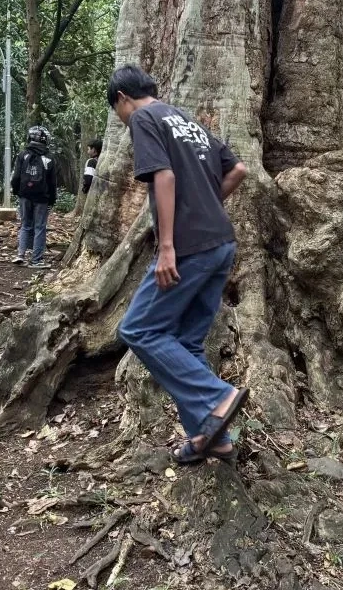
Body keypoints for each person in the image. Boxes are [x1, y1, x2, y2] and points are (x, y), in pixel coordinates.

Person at [109, 64, 250, 465]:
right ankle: (211, 439)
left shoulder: (143, 118)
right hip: (220, 242)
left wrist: (167, 245)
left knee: (139, 328)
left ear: (123, 98)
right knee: (187, 343)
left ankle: (217, 397)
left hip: (189, 248)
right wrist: (205, 205)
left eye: (117, 112)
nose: (121, 121)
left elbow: (164, 177)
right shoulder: (184, 118)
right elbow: (237, 169)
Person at [10, 126, 58, 269]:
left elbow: (16, 177)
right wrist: (52, 199)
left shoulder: (23, 155)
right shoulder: (49, 158)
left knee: (25, 225)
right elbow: (52, 182)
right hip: (42, 198)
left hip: (25, 195)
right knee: (40, 227)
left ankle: (20, 255)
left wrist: (17, 191)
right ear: (45, 140)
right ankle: (36, 260)